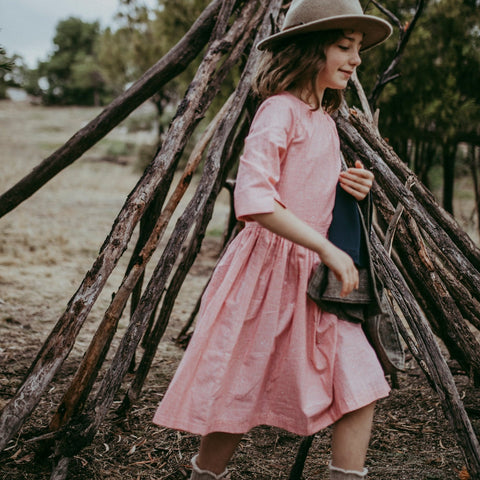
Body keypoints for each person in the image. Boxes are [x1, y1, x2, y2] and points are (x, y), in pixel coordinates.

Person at [153, 1, 393, 478]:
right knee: (235, 397)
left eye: (359, 49)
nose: (356, 59)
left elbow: (305, 189)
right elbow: (256, 199)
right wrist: (326, 247)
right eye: (344, 47)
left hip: (314, 285)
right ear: (309, 50)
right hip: (265, 279)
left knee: (363, 386)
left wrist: (352, 187)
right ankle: (204, 474)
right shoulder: (277, 111)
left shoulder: (324, 120)